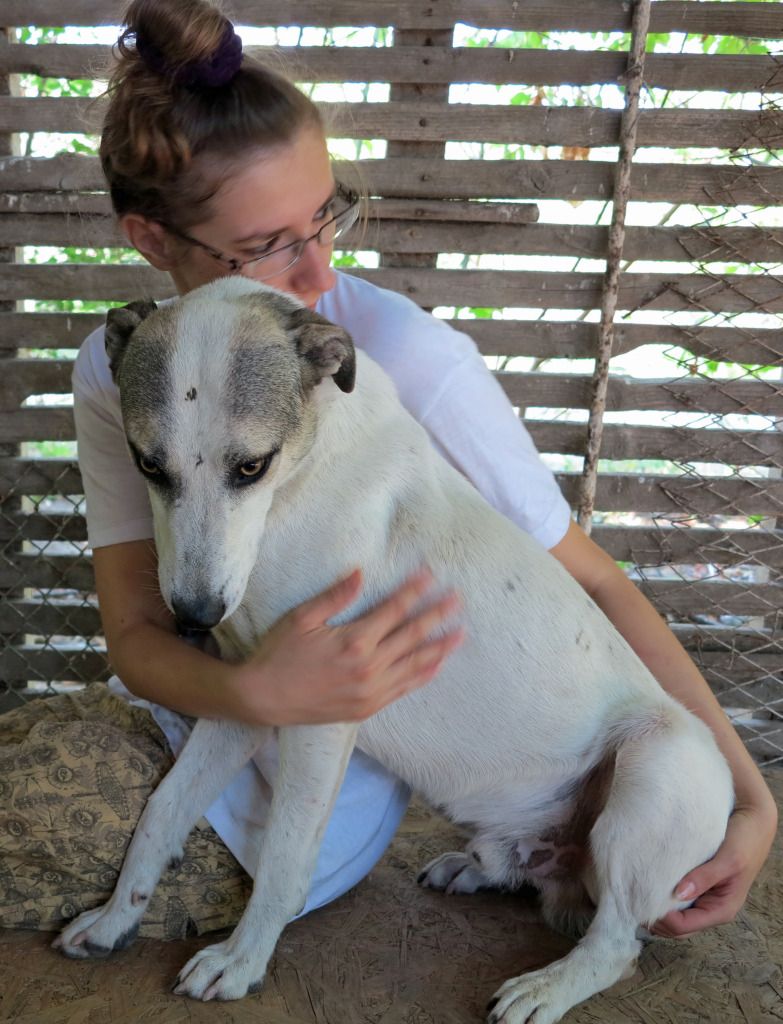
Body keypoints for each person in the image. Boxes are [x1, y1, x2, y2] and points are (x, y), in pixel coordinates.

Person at [2, 0, 776, 942]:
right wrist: (249, 691)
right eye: (267, 248)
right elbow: (136, 630)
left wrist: (749, 802)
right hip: (189, 707)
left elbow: (591, 581)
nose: (320, 269)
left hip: (332, 778)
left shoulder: (402, 357)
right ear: (150, 240)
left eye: (325, 216)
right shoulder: (117, 369)